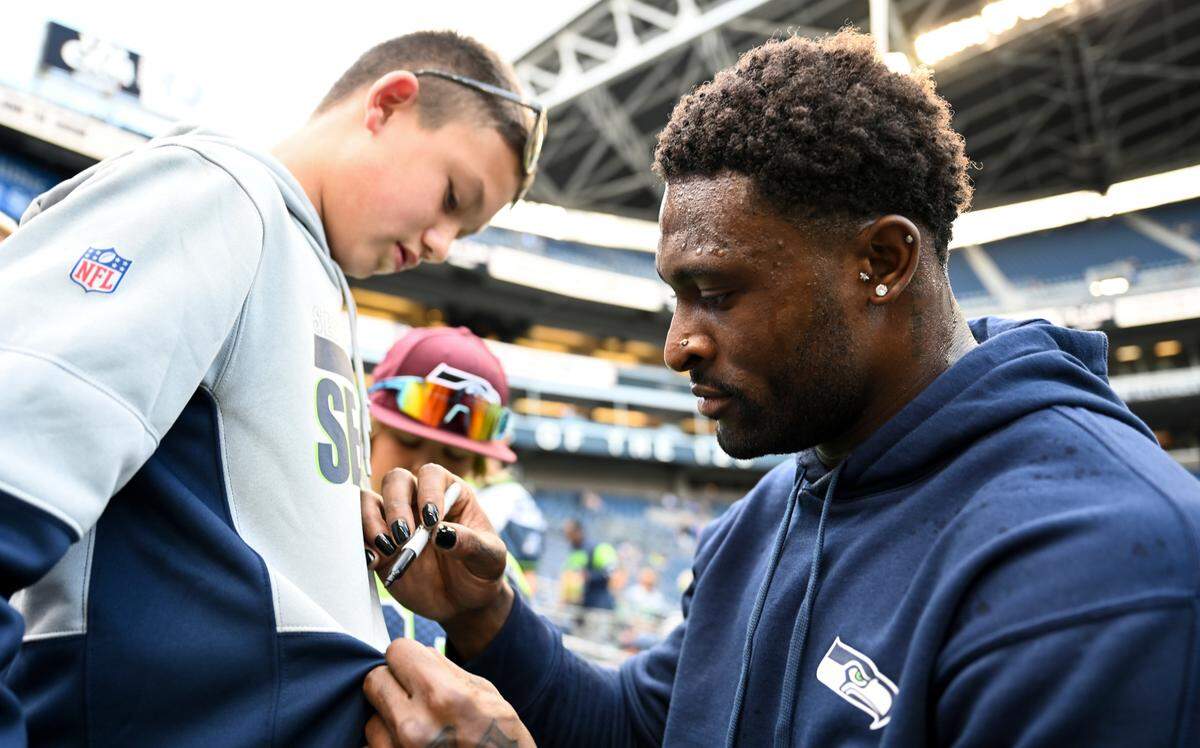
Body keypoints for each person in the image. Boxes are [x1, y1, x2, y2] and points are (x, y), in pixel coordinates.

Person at [361, 30, 1200, 746]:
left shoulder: (1103, 566)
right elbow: (640, 730)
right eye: (676, 297)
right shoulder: (759, 523)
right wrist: (487, 619)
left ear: (883, 262)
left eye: (718, 294)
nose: (677, 345)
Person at [0, 30, 544, 746]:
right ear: (388, 104)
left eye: (464, 230)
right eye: (451, 197)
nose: (444, 244)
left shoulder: (307, 269)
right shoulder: (217, 190)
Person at [364, 325, 528, 649]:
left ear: (479, 469)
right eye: (407, 439)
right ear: (368, 429)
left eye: (455, 455)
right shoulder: (314, 530)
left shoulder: (497, 575)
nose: (423, 470)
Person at [561, 518, 618, 610]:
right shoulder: (573, 550)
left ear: (578, 531)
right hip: (579, 603)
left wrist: (589, 576)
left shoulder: (596, 548)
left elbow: (609, 572)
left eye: (569, 533)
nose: (567, 537)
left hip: (598, 602)